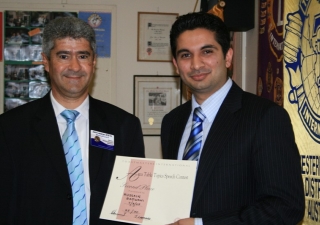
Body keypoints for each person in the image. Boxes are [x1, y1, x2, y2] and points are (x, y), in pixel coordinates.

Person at [161, 12, 304, 225]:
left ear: (228, 57)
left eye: (207, 52)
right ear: (175, 64)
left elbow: (285, 207)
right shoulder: (172, 122)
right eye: (185, 55)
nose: (196, 64)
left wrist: (201, 224)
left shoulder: (265, 117)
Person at [0, 17, 145, 225]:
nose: (75, 66)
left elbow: (133, 205)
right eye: (64, 56)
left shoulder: (124, 126)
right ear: (46, 62)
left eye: (83, 56)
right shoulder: (10, 128)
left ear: (93, 62)